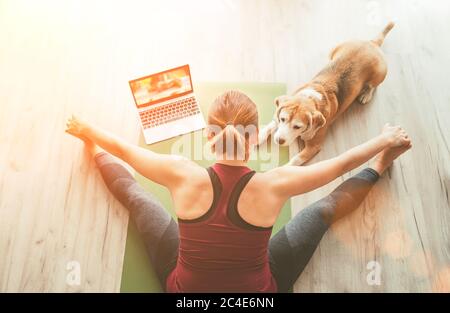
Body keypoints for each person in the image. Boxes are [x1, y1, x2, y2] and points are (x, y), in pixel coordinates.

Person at [65, 90, 411, 292]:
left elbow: (124, 150)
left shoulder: (179, 171)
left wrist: (87, 131)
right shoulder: (275, 183)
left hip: (185, 293)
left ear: (209, 139)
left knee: (138, 199)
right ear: (254, 140)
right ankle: (381, 165)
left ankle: (92, 153)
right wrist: (385, 140)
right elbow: (340, 164)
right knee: (322, 212)